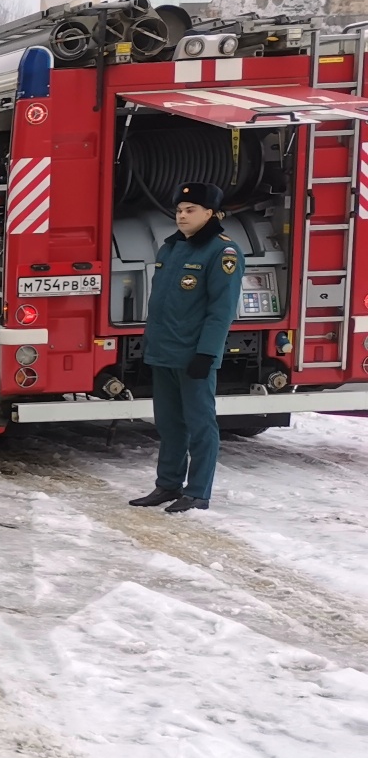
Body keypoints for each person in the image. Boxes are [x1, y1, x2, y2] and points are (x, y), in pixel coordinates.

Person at [129, 182, 243, 514]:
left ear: (210, 213)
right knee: (168, 424)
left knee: (200, 425)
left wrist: (207, 353)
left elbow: (221, 310)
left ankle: (197, 491)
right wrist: (149, 347)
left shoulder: (223, 253)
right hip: (164, 352)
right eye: (179, 210)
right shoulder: (171, 249)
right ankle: (167, 485)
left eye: (190, 210)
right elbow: (161, 304)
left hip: (194, 356)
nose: (182, 216)